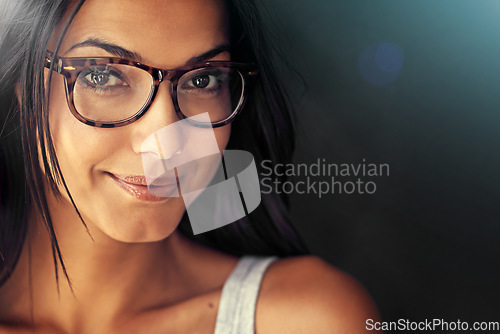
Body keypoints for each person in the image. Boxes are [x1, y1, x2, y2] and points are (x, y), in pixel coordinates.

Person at [0, 0, 380, 332]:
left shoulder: (306, 322)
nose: (166, 143)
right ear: (21, 82)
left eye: (203, 79)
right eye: (102, 75)